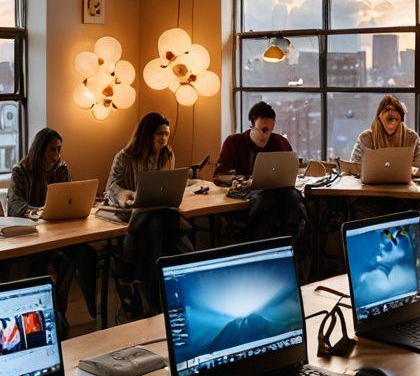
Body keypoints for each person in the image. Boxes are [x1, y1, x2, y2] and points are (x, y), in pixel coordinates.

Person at [7, 128, 97, 334]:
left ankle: (65, 310)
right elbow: (15, 207)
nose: (57, 155)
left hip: (59, 233)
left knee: (84, 254)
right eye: (52, 150)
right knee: (44, 262)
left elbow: (70, 198)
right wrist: (41, 211)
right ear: (39, 150)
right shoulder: (20, 171)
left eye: (59, 149)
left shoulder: (61, 169)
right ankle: (53, 314)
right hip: (32, 237)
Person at [106, 112, 192, 319]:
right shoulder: (124, 156)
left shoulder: (167, 154)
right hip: (131, 211)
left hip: (159, 212)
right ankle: (163, 295)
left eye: (167, 134)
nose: (164, 139)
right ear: (146, 134)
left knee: (159, 224)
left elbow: (166, 185)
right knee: (163, 229)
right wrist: (126, 195)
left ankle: (137, 281)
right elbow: (111, 186)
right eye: (159, 134)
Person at [214, 101, 308, 244]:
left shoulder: (279, 141)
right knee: (266, 202)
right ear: (252, 125)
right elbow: (219, 175)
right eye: (263, 130)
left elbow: (289, 169)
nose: (267, 135)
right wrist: (241, 179)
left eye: (270, 130)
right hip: (248, 197)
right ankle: (261, 249)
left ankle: (289, 246)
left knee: (296, 200)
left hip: (280, 194)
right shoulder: (234, 142)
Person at [350, 95, 420, 177]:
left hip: (404, 188)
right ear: (380, 116)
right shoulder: (365, 138)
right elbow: (353, 168)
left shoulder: (412, 138)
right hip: (370, 187)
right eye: (389, 118)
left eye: (397, 119)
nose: (393, 123)